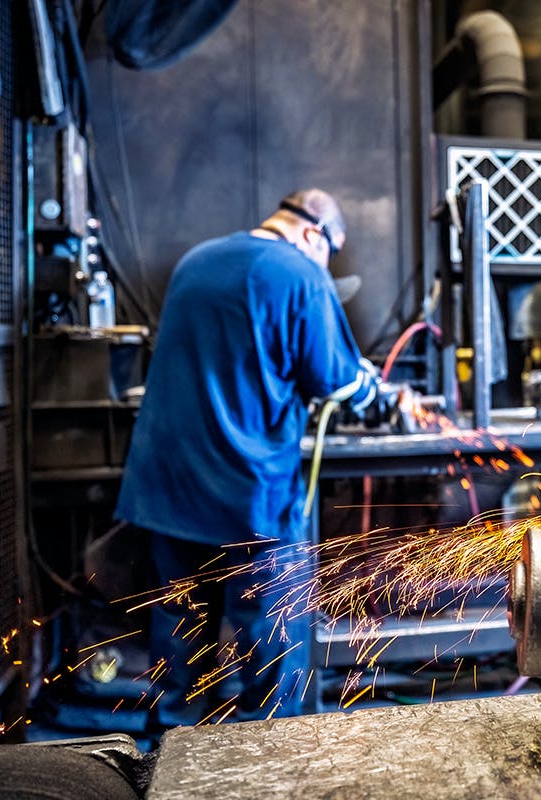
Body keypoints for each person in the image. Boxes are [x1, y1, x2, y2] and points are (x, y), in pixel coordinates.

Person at [116, 189, 380, 725]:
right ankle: (268, 760)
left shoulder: (198, 259)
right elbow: (334, 378)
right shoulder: (299, 273)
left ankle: (172, 756)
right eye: (330, 252)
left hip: (169, 485)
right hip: (248, 490)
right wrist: (374, 389)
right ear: (312, 234)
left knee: (182, 630)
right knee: (271, 638)